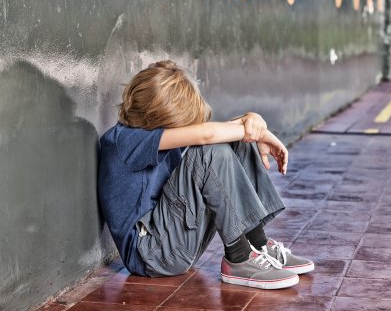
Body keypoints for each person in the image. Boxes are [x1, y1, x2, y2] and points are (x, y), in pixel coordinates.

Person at [97, 60, 314, 290]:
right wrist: (261, 132)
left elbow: (215, 134)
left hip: (173, 241)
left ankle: (258, 244)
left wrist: (252, 123)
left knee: (235, 141)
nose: (182, 130)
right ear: (157, 117)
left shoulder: (146, 133)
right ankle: (238, 258)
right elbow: (206, 136)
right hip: (151, 255)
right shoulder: (123, 141)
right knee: (210, 151)